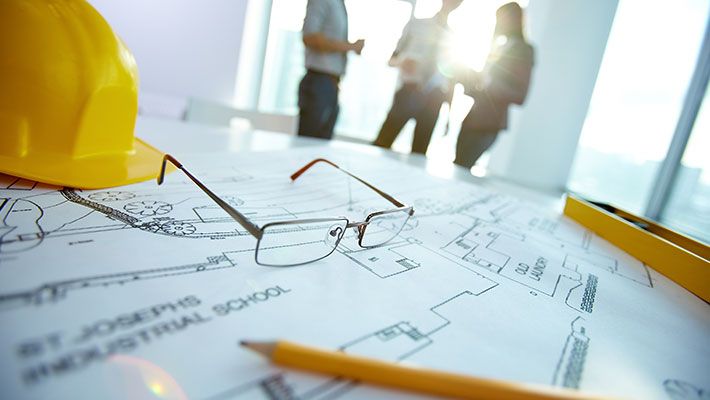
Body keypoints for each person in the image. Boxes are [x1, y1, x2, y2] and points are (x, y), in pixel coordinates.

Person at [372, 0, 463, 155]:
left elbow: (451, 79)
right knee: (382, 143)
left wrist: (449, 115)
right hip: (408, 92)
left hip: (434, 99)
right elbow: (391, 60)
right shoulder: (416, 24)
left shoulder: (454, 37)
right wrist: (402, 61)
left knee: (419, 154)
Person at [454, 2, 534, 168]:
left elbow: (520, 95)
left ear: (513, 20)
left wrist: (488, 83)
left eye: (502, 19)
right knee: (457, 166)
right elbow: (483, 87)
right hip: (472, 119)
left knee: (462, 168)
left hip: (489, 123)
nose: (498, 23)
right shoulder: (498, 46)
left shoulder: (524, 50)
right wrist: (469, 81)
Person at [298, 0, 365, 139]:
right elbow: (310, 37)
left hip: (331, 84)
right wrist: (351, 47)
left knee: (322, 142)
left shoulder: (339, 4)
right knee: (308, 141)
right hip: (318, 82)